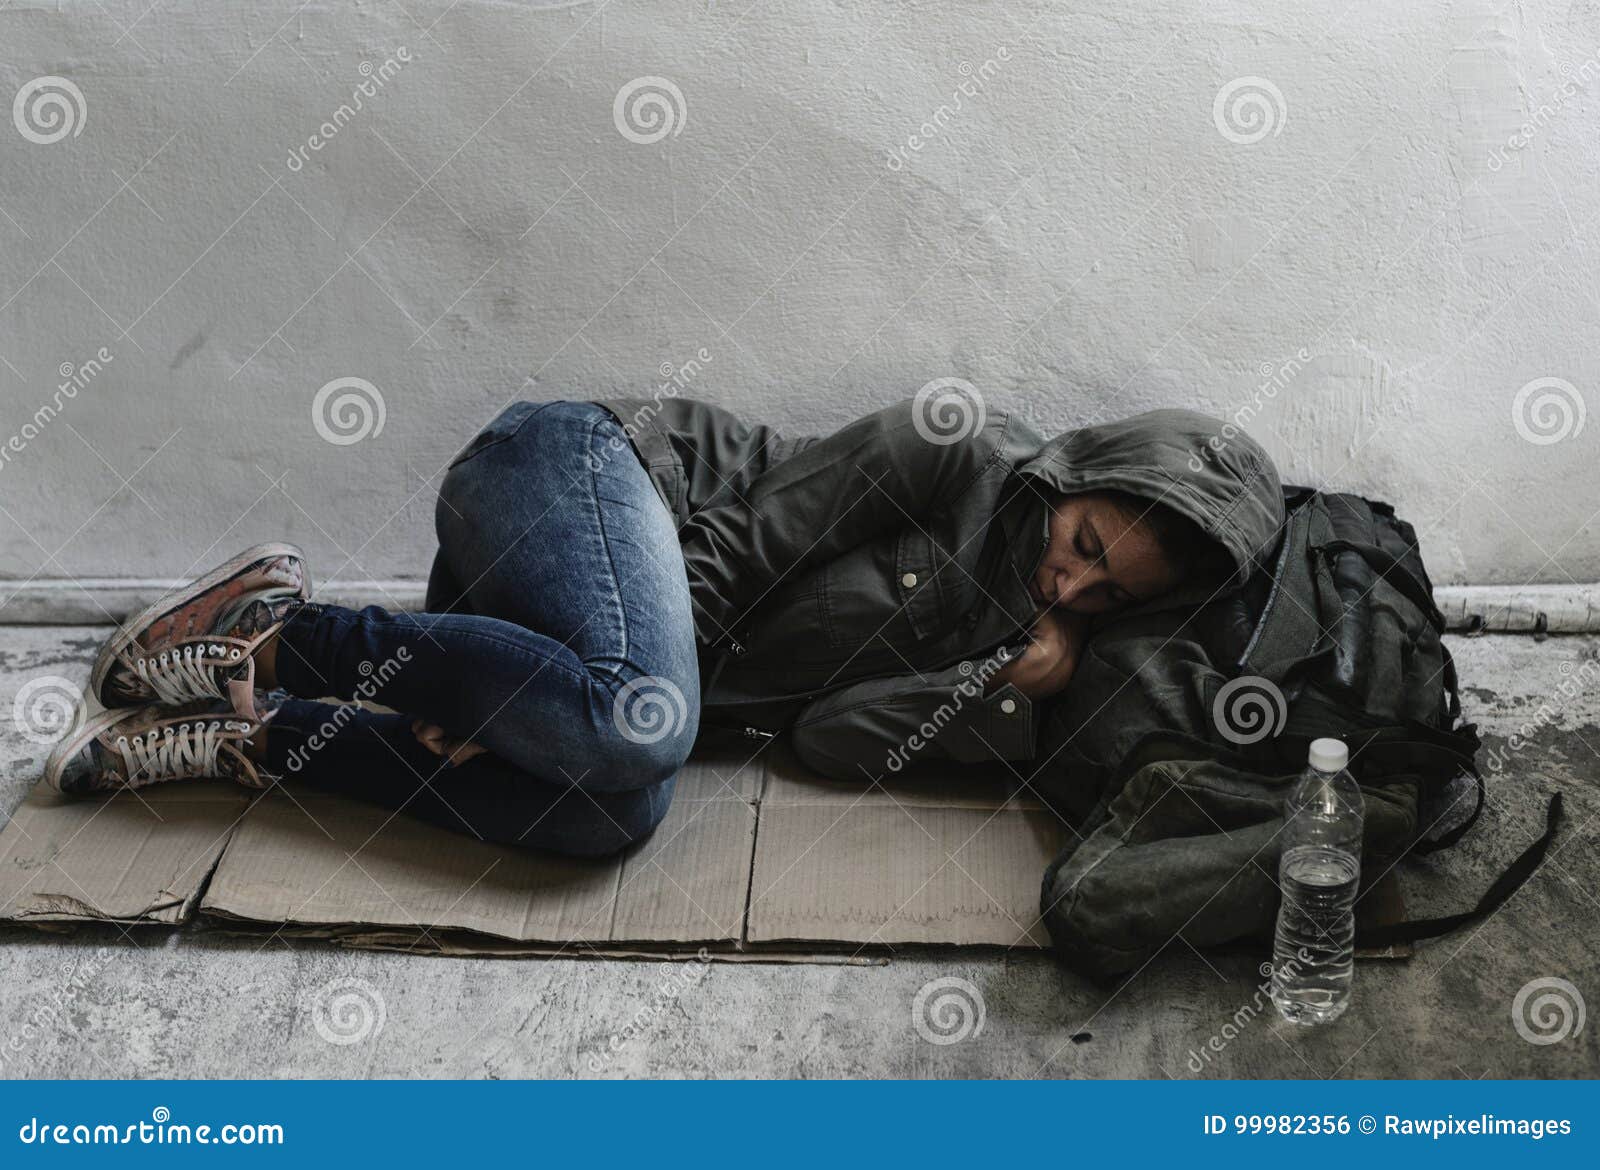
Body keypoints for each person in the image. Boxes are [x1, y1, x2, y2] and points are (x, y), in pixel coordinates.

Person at [45, 395, 1284, 858]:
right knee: (642, 734)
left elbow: (831, 743)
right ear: (1075, 475)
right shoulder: (952, 444)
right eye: (1079, 552)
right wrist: (622, 705)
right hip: (569, 474)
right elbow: (725, 551)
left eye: (1110, 598)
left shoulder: (1037, 634)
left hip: (559, 662)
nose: (1074, 592)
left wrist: (1019, 681)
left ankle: (262, 737)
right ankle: (279, 630)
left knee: (621, 815)